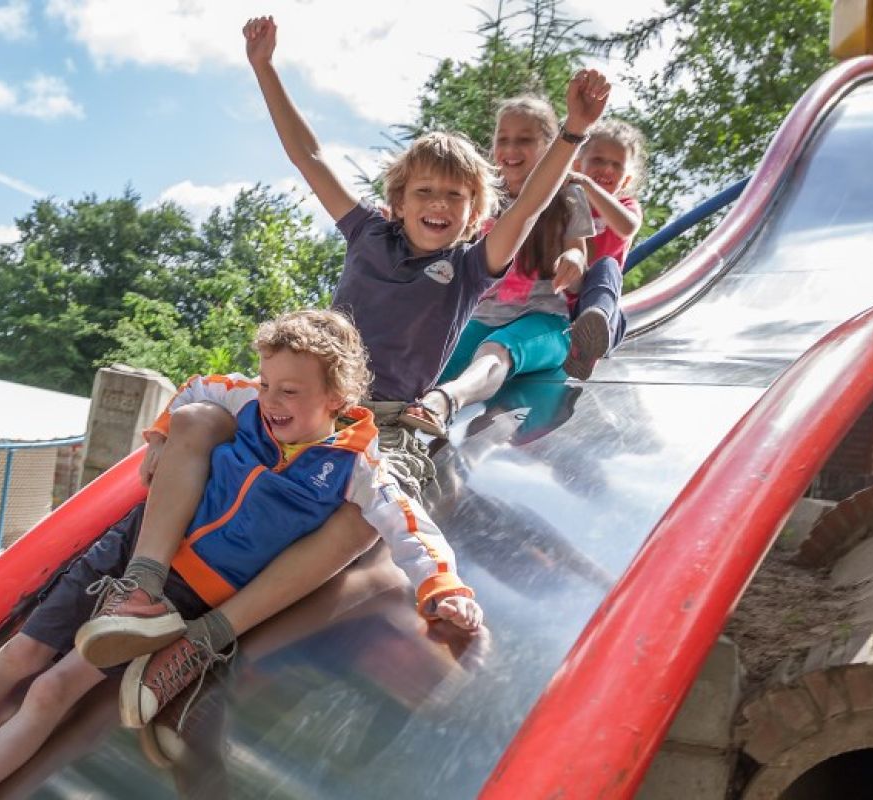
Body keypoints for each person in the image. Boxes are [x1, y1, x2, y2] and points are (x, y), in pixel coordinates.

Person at [69, 16, 607, 744]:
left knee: (357, 520)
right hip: (306, 399)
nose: (438, 206)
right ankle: (142, 584)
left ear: (475, 211)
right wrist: (265, 69)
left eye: (454, 197)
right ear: (399, 195)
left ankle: (203, 645)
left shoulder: (473, 266)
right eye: (425, 192)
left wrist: (572, 134)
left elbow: (535, 201)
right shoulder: (365, 233)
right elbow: (308, 154)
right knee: (199, 423)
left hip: (382, 420)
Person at [0, 309, 483, 799]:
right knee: (22, 654)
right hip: (134, 552)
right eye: (267, 383)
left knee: (55, 690)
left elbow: (411, 529)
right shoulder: (246, 404)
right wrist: (165, 431)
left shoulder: (355, 467)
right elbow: (197, 387)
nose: (271, 401)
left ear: (335, 402)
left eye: (291, 391)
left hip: (190, 595)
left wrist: (443, 588)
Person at [401, 92, 604, 436]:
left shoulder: (568, 196)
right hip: (483, 314)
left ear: (548, 147)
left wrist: (572, 260)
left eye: (524, 140)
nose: (510, 150)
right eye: (503, 140)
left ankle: (447, 400)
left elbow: (578, 259)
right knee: (435, 355)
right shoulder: (483, 198)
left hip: (543, 320)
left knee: (496, 349)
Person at [563, 119, 647, 380]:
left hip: (605, 313)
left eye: (616, 164)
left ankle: (593, 331)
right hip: (564, 306)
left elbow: (626, 227)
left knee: (606, 266)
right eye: (598, 159)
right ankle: (579, 343)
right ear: (579, 165)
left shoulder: (626, 205)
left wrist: (589, 186)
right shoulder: (568, 202)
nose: (606, 168)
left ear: (627, 178)